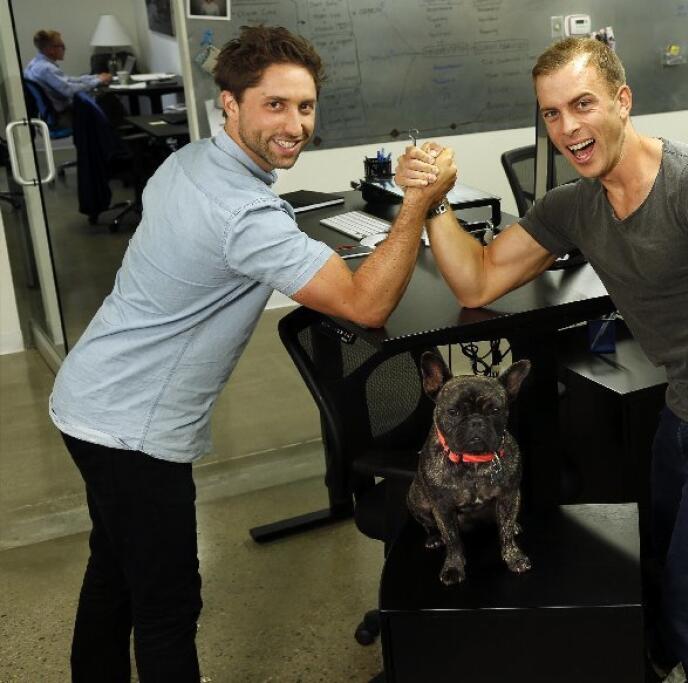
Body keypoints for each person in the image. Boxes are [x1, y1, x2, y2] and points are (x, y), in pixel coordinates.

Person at [396, 36, 688, 683]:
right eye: (552, 114)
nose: (568, 128)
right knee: (672, 576)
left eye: (582, 104)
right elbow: (475, 281)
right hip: (682, 411)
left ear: (622, 100)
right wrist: (433, 200)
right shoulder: (577, 206)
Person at [48, 25, 455, 681]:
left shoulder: (189, 162)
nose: (295, 124)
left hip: (88, 397)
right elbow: (365, 305)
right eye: (275, 105)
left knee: (116, 568)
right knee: (167, 607)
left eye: (304, 106)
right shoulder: (242, 214)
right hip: (131, 428)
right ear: (230, 105)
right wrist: (417, 203)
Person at [23, 30, 112, 124]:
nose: (65, 49)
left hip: (53, 113)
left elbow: (68, 80)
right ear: (51, 49)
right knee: (106, 102)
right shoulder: (46, 69)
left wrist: (96, 77)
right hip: (63, 116)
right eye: (62, 46)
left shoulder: (35, 64)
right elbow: (69, 90)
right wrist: (97, 82)